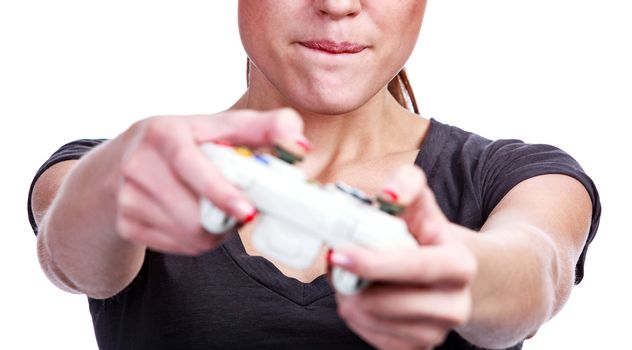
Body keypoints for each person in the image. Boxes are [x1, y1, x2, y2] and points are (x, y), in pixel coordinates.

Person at [27, 1, 600, 349]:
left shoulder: (515, 177)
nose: (337, 3)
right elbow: (67, 250)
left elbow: (538, 268)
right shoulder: (116, 168)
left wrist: (462, 278)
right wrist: (114, 183)